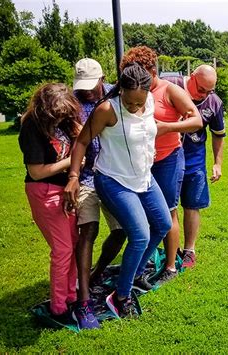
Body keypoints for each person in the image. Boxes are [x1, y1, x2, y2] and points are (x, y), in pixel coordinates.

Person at [64, 62, 172, 319]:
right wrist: (74, 175)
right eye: (130, 102)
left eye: (139, 102)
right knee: (140, 235)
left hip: (143, 178)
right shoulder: (106, 109)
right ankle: (120, 296)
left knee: (162, 225)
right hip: (113, 180)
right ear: (120, 90)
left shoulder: (149, 103)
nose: (135, 107)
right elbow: (81, 142)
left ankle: (130, 272)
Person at [118, 46, 203, 284]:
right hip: (140, 163)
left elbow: (196, 120)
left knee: (168, 212)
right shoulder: (132, 89)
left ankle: (170, 267)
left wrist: (167, 127)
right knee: (145, 215)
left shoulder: (170, 90)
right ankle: (145, 261)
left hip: (167, 159)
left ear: (153, 71)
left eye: (142, 73)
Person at [18, 83, 82, 323]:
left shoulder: (65, 120)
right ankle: (58, 306)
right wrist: (72, 163)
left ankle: (71, 294)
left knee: (74, 244)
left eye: (67, 112)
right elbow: (36, 172)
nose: (63, 116)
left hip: (66, 190)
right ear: (45, 109)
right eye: (58, 113)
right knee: (63, 249)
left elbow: (82, 135)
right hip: (44, 191)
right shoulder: (31, 126)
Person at [71, 58, 127, 329]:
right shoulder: (71, 103)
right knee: (88, 230)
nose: (88, 92)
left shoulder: (116, 95)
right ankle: (83, 300)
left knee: (121, 231)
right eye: (83, 87)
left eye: (92, 86)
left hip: (112, 175)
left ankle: (96, 274)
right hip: (85, 179)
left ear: (102, 78)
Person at [164, 65, 226, 268]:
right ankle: (169, 250)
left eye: (210, 90)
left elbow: (218, 135)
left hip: (194, 159)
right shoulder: (171, 86)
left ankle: (189, 250)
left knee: (193, 204)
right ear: (192, 78)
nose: (205, 95)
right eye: (202, 90)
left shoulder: (214, 102)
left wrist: (217, 163)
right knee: (167, 207)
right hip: (168, 158)